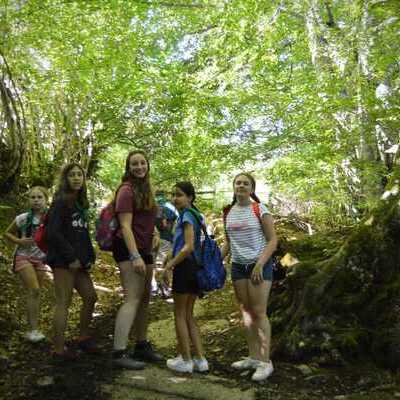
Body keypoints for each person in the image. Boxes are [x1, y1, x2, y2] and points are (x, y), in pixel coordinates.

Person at [221, 172, 278, 381]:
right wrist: (216, 260)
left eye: (246, 183)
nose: (241, 186)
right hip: (238, 267)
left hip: (259, 266)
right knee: (246, 312)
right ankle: (253, 357)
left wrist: (260, 264)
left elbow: (273, 240)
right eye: (238, 183)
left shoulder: (259, 209)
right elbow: (228, 242)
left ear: (252, 189)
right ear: (234, 187)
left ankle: (265, 361)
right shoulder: (228, 212)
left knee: (259, 312)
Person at [111, 150, 162, 369]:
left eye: (142, 163)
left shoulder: (146, 188)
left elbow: (146, 218)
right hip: (129, 248)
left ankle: (141, 345)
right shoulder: (126, 190)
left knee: (144, 299)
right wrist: (135, 256)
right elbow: (125, 226)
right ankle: (118, 352)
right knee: (132, 298)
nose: (139, 167)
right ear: (128, 167)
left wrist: (157, 231)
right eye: (134, 164)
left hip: (145, 247)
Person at [46, 163, 97, 360]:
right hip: (63, 261)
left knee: (91, 297)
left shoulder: (80, 202)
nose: (76, 178)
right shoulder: (60, 202)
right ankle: (58, 349)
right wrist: (71, 257)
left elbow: (82, 234)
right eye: (72, 175)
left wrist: (89, 257)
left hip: (80, 262)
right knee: (63, 302)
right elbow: (53, 233)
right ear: (65, 179)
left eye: (79, 175)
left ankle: (82, 337)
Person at [163, 182, 209, 374]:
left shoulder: (188, 216)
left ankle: (185, 360)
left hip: (185, 269)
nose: (175, 198)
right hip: (194, 268)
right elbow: (184, 243)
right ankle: (200, 359)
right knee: (188, 315)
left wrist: (169, 266)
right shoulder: (193, 215)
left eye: (180, 195)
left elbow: (188, 246)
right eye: (173, 195)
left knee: (180, 315)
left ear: (190, 197)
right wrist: (169, 255)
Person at [3, 186, 51, 342]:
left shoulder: (50, 218)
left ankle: (33, 327)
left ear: (46, 199)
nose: (36, 200)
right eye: (33, 197)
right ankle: (32, 330)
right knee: (34, 290)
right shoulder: (22, 218)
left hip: (41, 259)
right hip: (23, 257)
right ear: (29, 200)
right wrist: (19, 240)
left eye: (39, 197)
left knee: (36, 294)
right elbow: (7, 233)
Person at [153, 190, 178, 295]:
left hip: (151, 237)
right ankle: (165, 288)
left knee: (153, 263)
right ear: (165, 195)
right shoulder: (170, 206)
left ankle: (153, 287)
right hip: (166, 237)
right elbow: (177, 221)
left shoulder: (150, 204)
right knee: (165, 263)